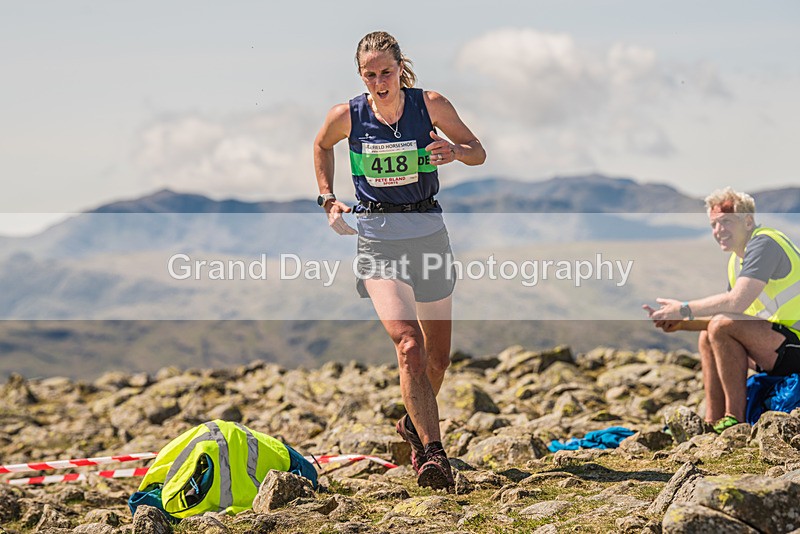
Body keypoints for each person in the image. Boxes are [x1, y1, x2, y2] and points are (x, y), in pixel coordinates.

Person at [312, 31, 485, 489]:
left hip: (428, 232)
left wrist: (455, 152)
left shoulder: (430, 104)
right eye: (369, 75)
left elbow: (478, 152)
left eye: (386, 72)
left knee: (438, 358)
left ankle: (412, 424)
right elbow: (321, 145)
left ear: (400, 67)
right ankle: (432, 454)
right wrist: (328, 198)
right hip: (377, 239)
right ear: (360, 75)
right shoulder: (346, 115)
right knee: (409, 344)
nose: (379, 82)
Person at [644, 187, 800, 432]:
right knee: (708, 335)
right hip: (779, 343)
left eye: (726, 222)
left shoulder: (765, 243)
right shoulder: (737, 261)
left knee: (720, 326)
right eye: (714, 225)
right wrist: (680, 323)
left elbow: (735, 303)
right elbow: (730, 316)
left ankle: (734, 422)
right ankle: (712, 423)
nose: (719, 231)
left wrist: (683, 309)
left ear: (748, 221)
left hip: (795, 343)